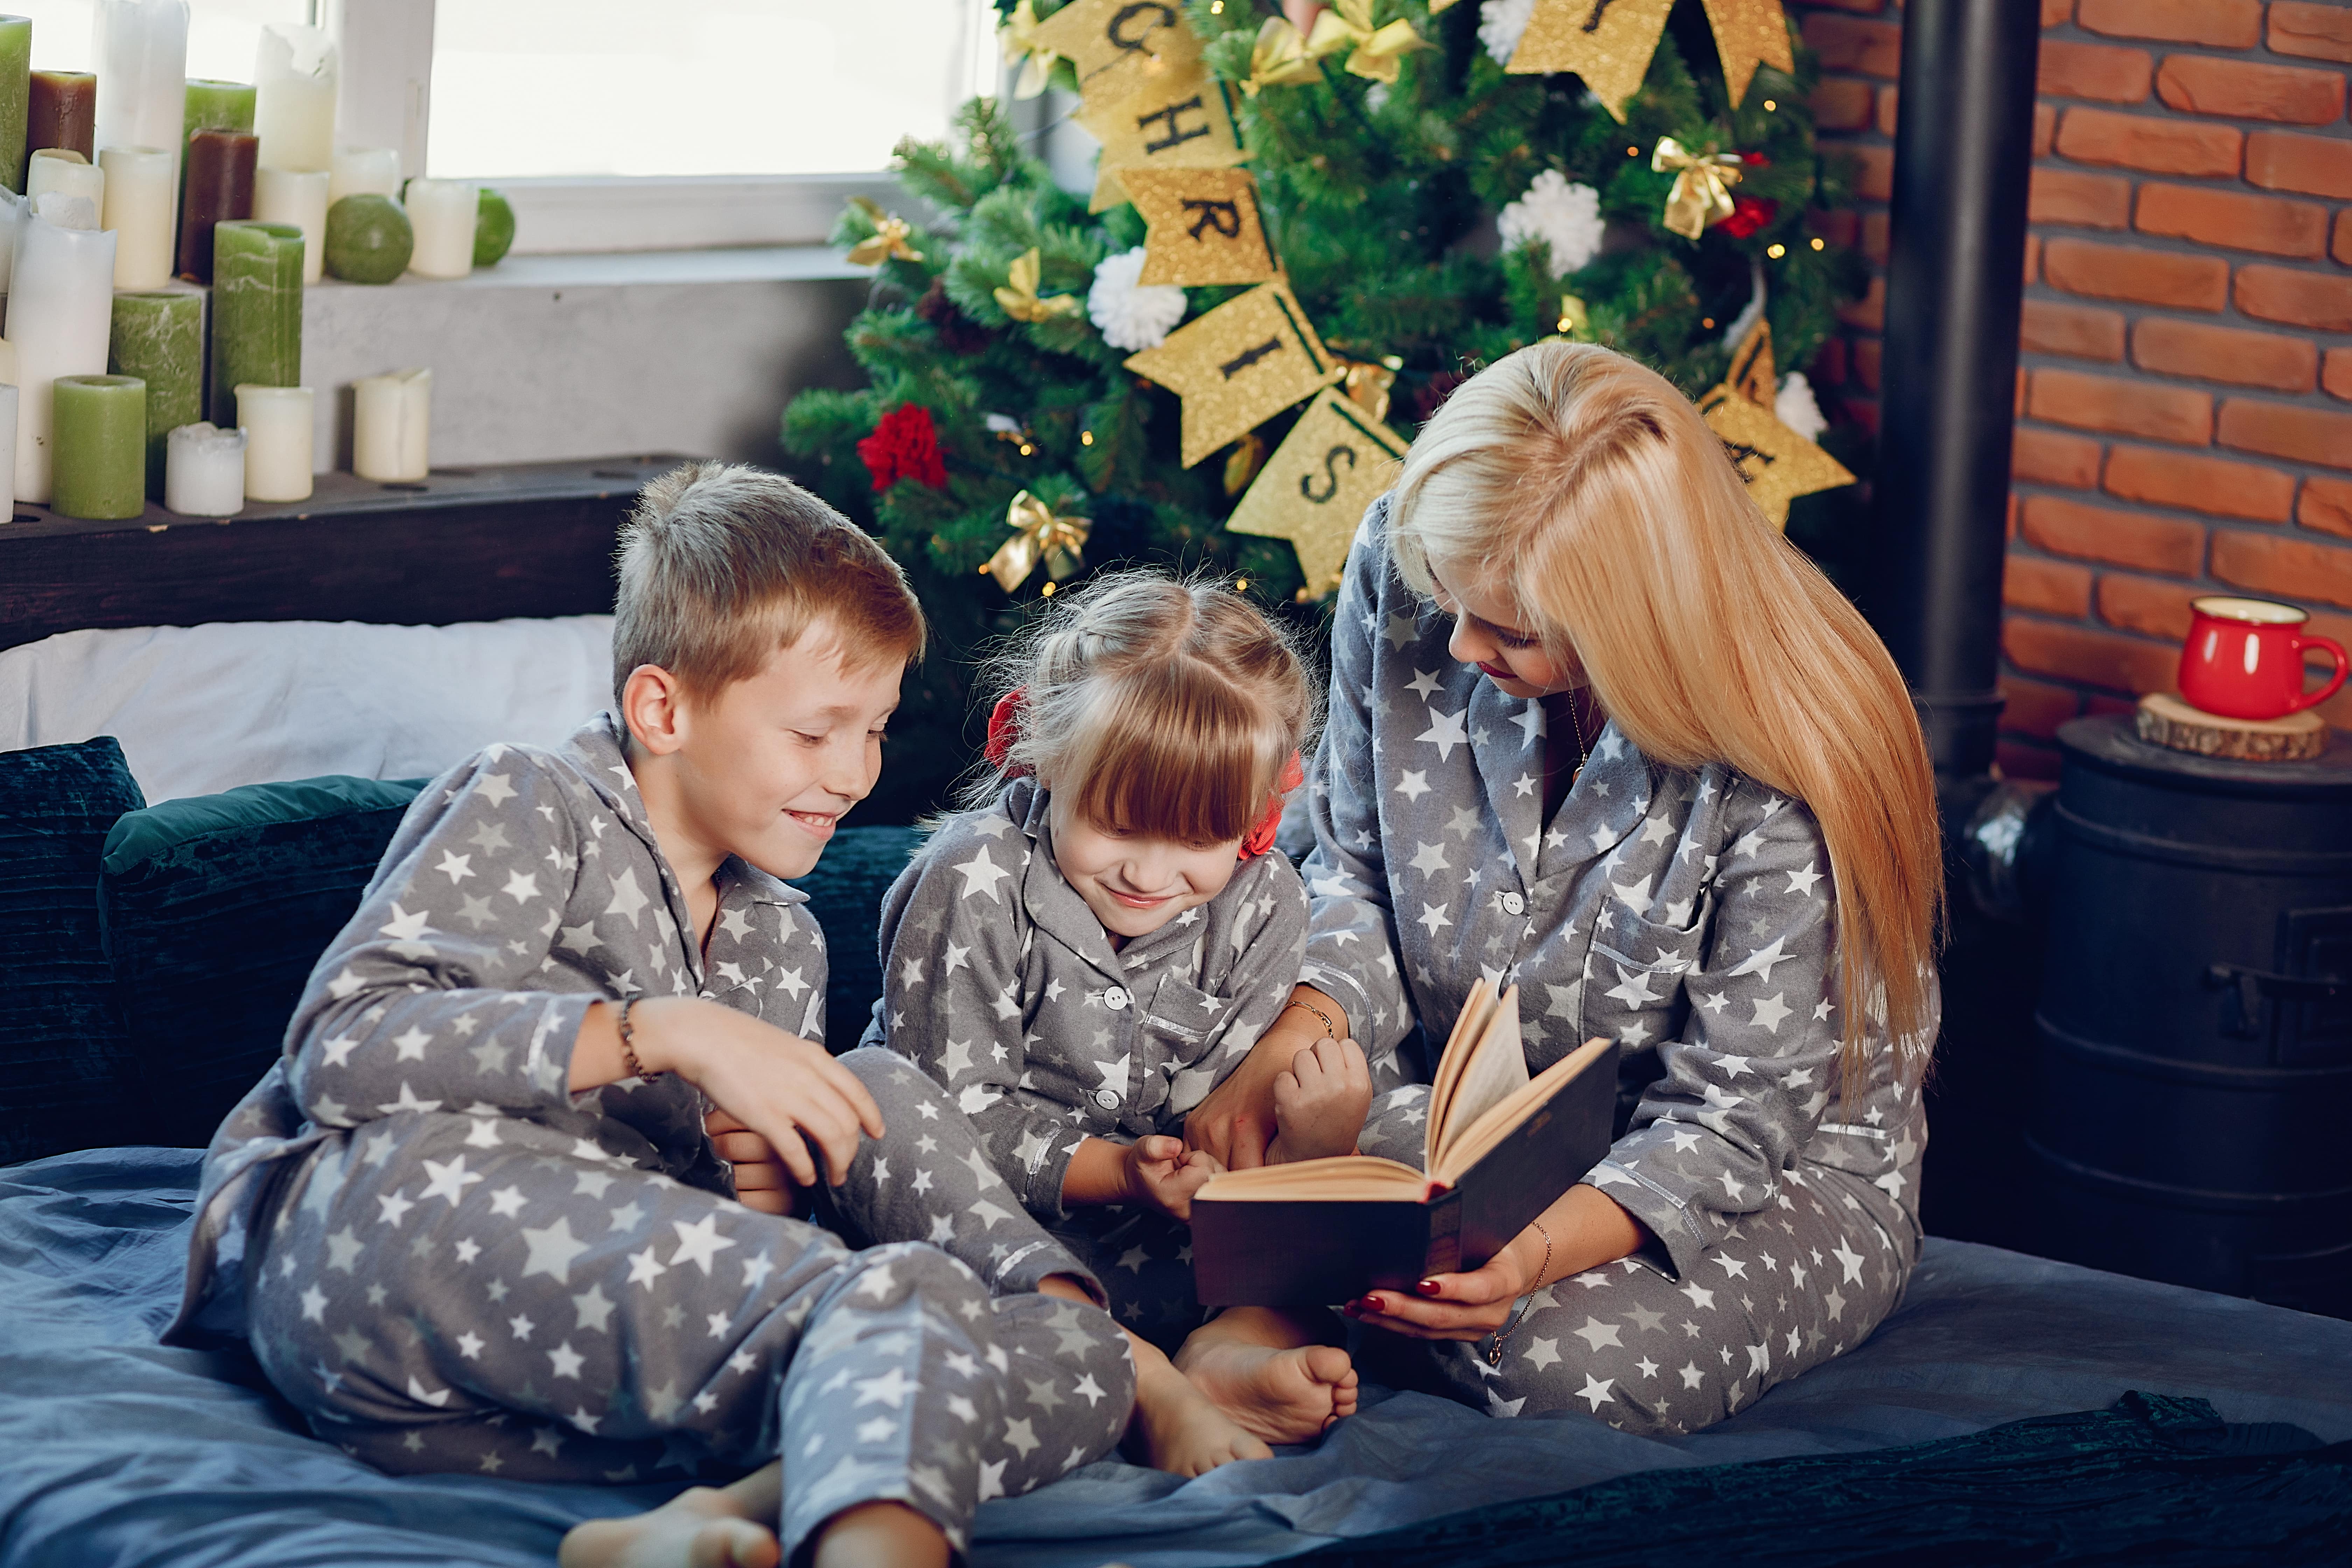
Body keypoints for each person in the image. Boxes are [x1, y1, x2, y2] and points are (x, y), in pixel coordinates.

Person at [164, 463, 1136, 1568]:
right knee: (896, 1303)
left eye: (875, 732)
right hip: (387, 1256)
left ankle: (732, 1513)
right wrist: (666, 1029)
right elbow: (342, 1048)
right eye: (818, 733)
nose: (857, 774)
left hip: (544, 1393)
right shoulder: (532, 799)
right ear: (662, 708)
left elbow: (690, 1251)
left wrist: (760, 1189)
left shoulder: (784, 932)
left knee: (1079, 1356)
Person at [1185, 341, 1945, 1433]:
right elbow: (1349, 871)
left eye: (1511, 631)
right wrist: (1290, 1042)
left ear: (1639, 625)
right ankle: (1290, 1296)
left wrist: (1528, 1257)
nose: (1452, 642)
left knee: (1561, 1368)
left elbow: (1734, 1122)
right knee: (1201, 1133)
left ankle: (1272, 1314)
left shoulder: (1798, 751)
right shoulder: (1424, 559)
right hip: (1457, 1120)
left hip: (1757, 1177)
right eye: (1445, 596)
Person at [856, 569, 1373, 1472]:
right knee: (872, 1098)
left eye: (1199, 841)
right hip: (985, 1224)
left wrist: (1310, 1141)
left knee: (1386, 1167)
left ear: (1256, 821)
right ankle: (1136, 1376)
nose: (1149, 874)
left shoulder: (1266, 904)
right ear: (1048, 756)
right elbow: (953, 1111)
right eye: (1117, 825)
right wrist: (1118, 1172)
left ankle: (1227, 1349)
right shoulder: (973, 878)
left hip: (1160, 1242)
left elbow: (1223, 1122)